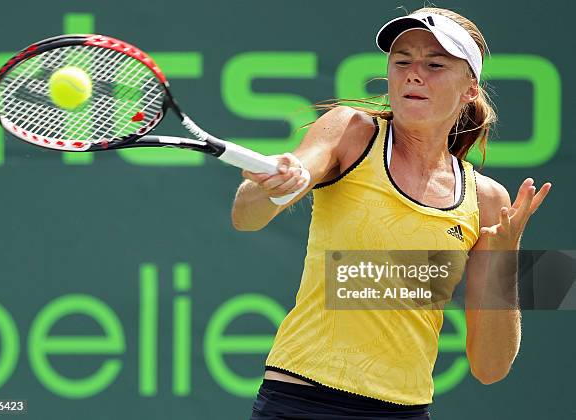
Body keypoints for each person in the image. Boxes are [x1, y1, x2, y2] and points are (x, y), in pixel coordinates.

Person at [232, 7, 552, 419]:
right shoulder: (350, 132)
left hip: (404, 410)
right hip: (300, 401)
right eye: (402, 62)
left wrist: (505, 256)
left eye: (435, 64)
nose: (414, 74)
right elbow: (246, 216)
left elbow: (491, 367)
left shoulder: (487, 199)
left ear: (470, 88)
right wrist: (275, 186)